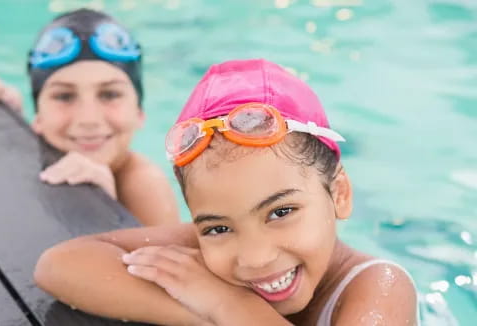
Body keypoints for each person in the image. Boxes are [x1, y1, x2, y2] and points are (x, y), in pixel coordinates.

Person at [34, 59, 419, 325]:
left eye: (281, 212)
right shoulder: (210, 248)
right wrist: (206, 311)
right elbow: (60, 265)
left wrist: (229, 304)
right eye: (217, 228)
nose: (254, 257)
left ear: (339, 193)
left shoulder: (379, 288)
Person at [0, 9, 179, 225]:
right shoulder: (40, 147)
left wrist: (106, 212)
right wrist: (4, 124)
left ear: (139, 112)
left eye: (110, 94)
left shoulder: (144, 185)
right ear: (38, 117)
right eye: (64, 96)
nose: (88, 119)